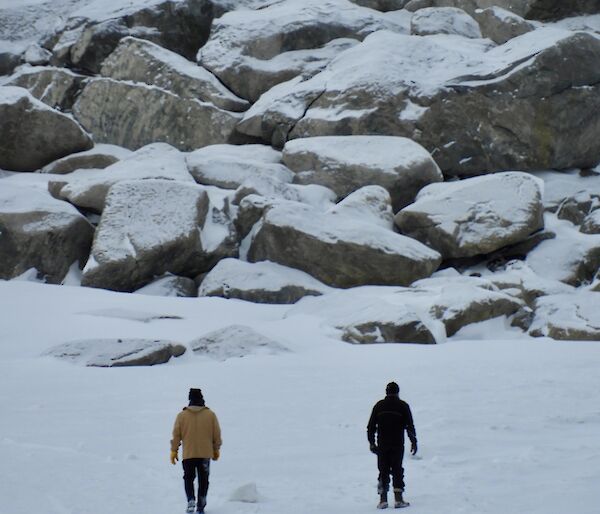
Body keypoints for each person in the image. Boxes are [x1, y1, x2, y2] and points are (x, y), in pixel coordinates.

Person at [171, 388, 222, 514]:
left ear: (190, 399)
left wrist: (174, 451)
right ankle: (201, 504)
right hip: (205, 454)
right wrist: (216, 449)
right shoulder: (210, 415)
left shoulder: (182, 416)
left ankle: (190, 500)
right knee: (203, 480)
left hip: (189, 454)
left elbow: (176, 435)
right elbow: (216, 435)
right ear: (201, 398)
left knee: (188, 478)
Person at [367, 382, 417, 509]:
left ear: (386, 392)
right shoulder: (403, 406)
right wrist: (413, 441)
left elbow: (371, 427)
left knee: (383, 470)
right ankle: (398, 499)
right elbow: (410, 426)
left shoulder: (379, 406)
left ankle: (383, 500)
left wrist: (372, 443)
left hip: (382, 445)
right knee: (397, 470)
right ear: (398, 392)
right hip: (397, 444)